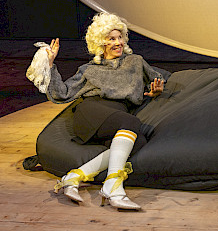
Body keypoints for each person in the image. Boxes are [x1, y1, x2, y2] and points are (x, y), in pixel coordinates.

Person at [42, 12, 168, 210]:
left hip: (117, 116)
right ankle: (114, 188)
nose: (118, 43)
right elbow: (61, 93)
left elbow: (158, 79)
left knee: (139, 142)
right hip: (91, 113)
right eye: (111, 39)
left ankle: (73, 177)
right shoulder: (89, 70)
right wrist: (50, 64)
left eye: (120, 37)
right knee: (131, 123)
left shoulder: (135, 62)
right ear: (101, 43)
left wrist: (155, 91)